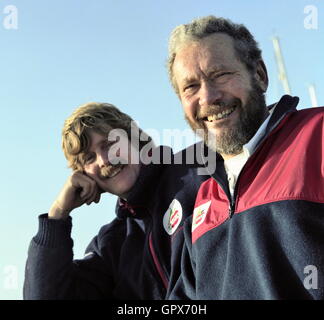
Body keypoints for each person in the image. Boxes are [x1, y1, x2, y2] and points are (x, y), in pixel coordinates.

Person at [166, 16, 324, 299]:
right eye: (190, 87)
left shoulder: (318, 135)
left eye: (221, 75)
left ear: (260, 76)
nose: (208, 97)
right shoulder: (203, 202)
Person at [24, 102, 209, 299]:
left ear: (135, 140)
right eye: (89, 158)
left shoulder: (202, 166)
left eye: (110, 144)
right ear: (84, 176)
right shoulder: (110, 244)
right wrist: (57, 214)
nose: (104, 160)